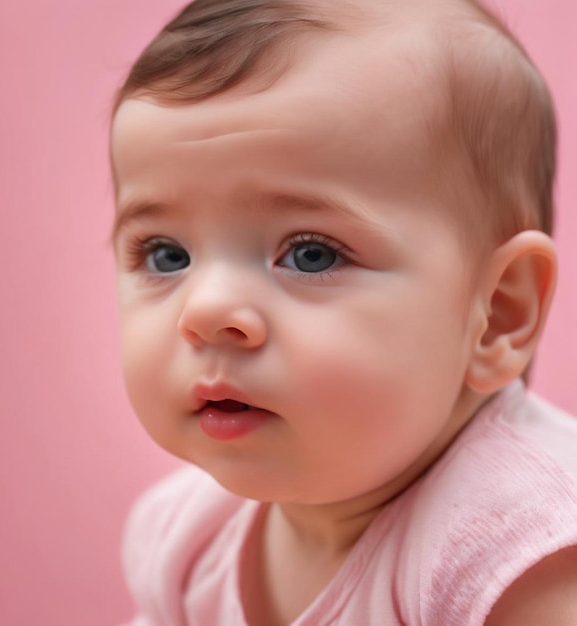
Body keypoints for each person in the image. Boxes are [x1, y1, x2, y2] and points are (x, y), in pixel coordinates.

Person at [109, 0, 577, 623]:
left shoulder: (518, 555)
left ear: (496, 312)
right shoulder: (185, 537)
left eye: (308, 254)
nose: (207, 309)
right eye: (167, 255)